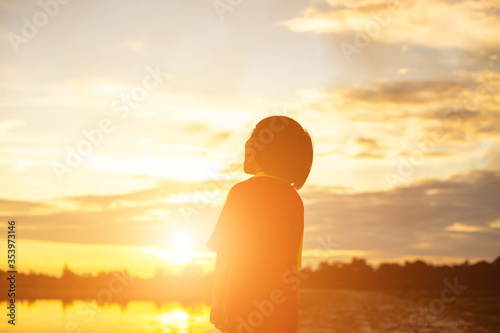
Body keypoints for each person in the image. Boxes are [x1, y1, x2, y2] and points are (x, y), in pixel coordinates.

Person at [206, 115, 314, 333]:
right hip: (283, 305)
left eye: (251, 140)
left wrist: (218, 297)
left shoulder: (241, 192)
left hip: (244, 298)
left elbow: (225, 252)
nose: (246, 146)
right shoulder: (295, 199)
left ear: (263, 150)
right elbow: (294, 264)